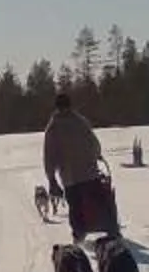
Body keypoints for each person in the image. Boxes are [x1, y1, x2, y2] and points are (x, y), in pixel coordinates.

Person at [42, 87, 116, 240]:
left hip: (70, 177)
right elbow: (94, 144)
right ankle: (110, 231)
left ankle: (79, 236)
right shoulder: (81, 121)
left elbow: (50, 155)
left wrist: (51, 178)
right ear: (70, 105)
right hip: (90, 173)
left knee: (75, 207)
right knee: (99, 202)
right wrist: (96, 156)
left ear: (57, 107)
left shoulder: (53, 127)